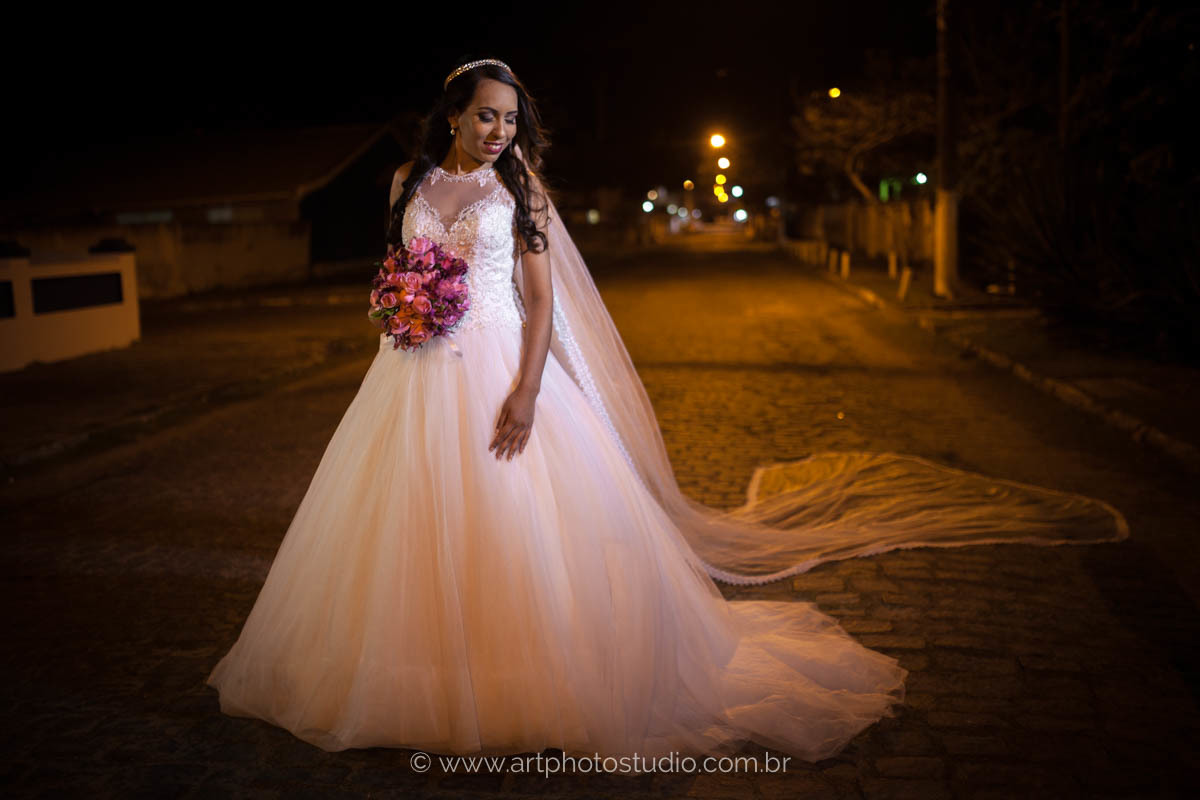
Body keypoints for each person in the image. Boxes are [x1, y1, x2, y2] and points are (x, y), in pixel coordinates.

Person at [206, 57, 1129, 766]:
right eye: (484, 115)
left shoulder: (518, 192)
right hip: (407, 375)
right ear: (451, 114)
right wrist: (392, 307)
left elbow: (542, 303)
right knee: (406, 529)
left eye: (509, 119)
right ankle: (411, 679)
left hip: (494, 368)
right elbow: (396, 271)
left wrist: (528, 389)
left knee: (514, 529)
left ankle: (521, 683)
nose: (496, 131)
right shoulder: (407, 187)